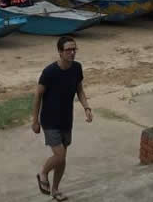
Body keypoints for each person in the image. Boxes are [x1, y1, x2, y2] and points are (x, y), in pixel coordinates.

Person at [32, 35, 92, 201]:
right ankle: (43, 173)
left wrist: (86, 107)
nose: (72, 52)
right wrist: (35, 121)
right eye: (68, 50)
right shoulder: (49, 72)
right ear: (60, 52)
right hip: (50, 120)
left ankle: (55, 190)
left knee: (62, 159)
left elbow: (79, 90)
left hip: (66, 119)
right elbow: (38, 96)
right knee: (59, 156)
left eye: (74, 49)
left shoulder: (77, 68)